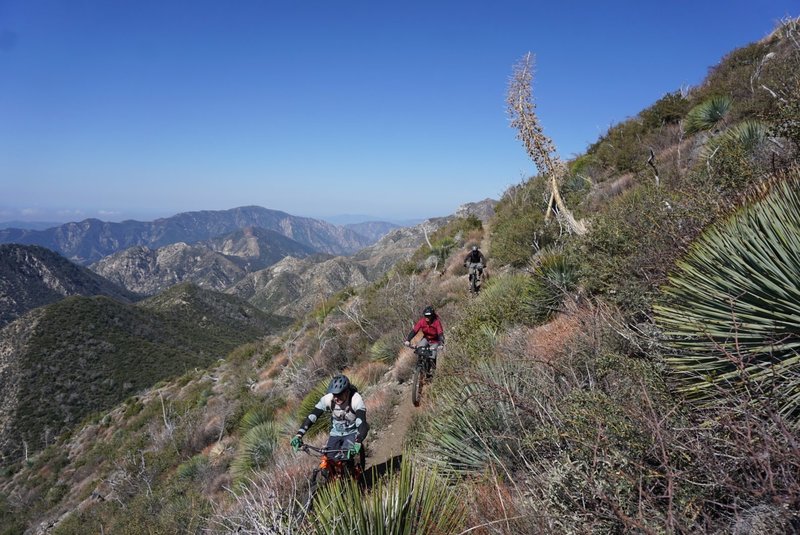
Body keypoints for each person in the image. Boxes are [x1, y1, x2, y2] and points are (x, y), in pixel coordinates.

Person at [291, 374, 368, 466]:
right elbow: (312, 416)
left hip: (353, 432)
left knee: (346, 458)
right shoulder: (328, 399)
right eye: (335, 394)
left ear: (347, 392)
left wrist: (358, 440)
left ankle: (354, 477)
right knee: (330, 460)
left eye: (339, 395)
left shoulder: (355, 399)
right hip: (336, 432)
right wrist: (299, 434)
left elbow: (361, 422)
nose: (336, 398)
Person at [404, 306, 445, 371]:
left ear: (432, 316)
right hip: (426, 339)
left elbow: (440, 333)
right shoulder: (422, 321)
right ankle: (419, 367)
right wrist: (408, 340)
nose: (427, 318)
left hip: (435, 341)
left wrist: (441, 344)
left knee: (432, 356)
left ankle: (432, 371)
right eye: (425, 316)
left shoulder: (436, 322)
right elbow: (414, 331)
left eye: (429, 316)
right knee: (420, 349)